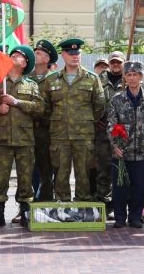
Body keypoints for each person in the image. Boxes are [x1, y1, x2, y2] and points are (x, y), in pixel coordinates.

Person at [0, 46, 44, 228]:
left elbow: (40, 109)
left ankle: (25, 212)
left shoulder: (31, 85)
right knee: (0, 178)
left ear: (25, 64)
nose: (13, 57)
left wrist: (16, 102)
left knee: (26, 179)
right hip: (2, 139)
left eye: (18, 56)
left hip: (24, 139)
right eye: (12, 55)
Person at [42, 38, 106, 202]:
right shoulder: (51, 79)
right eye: (70, 53)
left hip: (83, 135)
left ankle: (83, 205)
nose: (74, 56)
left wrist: (85, 122)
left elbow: (99, 106)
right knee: (61, 172)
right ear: (63, 55)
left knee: (83, 172)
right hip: (59, 135)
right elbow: (46, 108)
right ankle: (62, 205)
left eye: (77, 53)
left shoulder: (92, 78)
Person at [106, 61, 144, 229]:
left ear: (141, 77)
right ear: (125, 77)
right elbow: (112, 124)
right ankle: (120, 217)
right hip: (122, 152)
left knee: (139, 186)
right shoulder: (117, 99)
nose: (132, 78)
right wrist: (115, 144)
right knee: (120, 187)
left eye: (136, 75)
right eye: (129, 75)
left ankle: (136, 217)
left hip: (142, 151)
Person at [28, 39, 58, 203]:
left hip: (48, 131)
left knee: (47, 170)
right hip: (28, 130)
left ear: (47, 59)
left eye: (38, 53)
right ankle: (27, 206)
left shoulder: (54, 79)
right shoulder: (26, 77)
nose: (35, 54)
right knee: (28, 170)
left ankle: (46, 204)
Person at [95, 51, 125, 214]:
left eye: (118, 62)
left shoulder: (130, 78)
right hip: (102, 131)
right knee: (103, 169)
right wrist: (95, 119)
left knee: (121, 169)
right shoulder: (99, 79)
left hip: (122, 133)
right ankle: (104, 205)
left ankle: (119, 204)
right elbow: (90, 100)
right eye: (113, 62)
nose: (115, 64)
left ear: (123, 63)